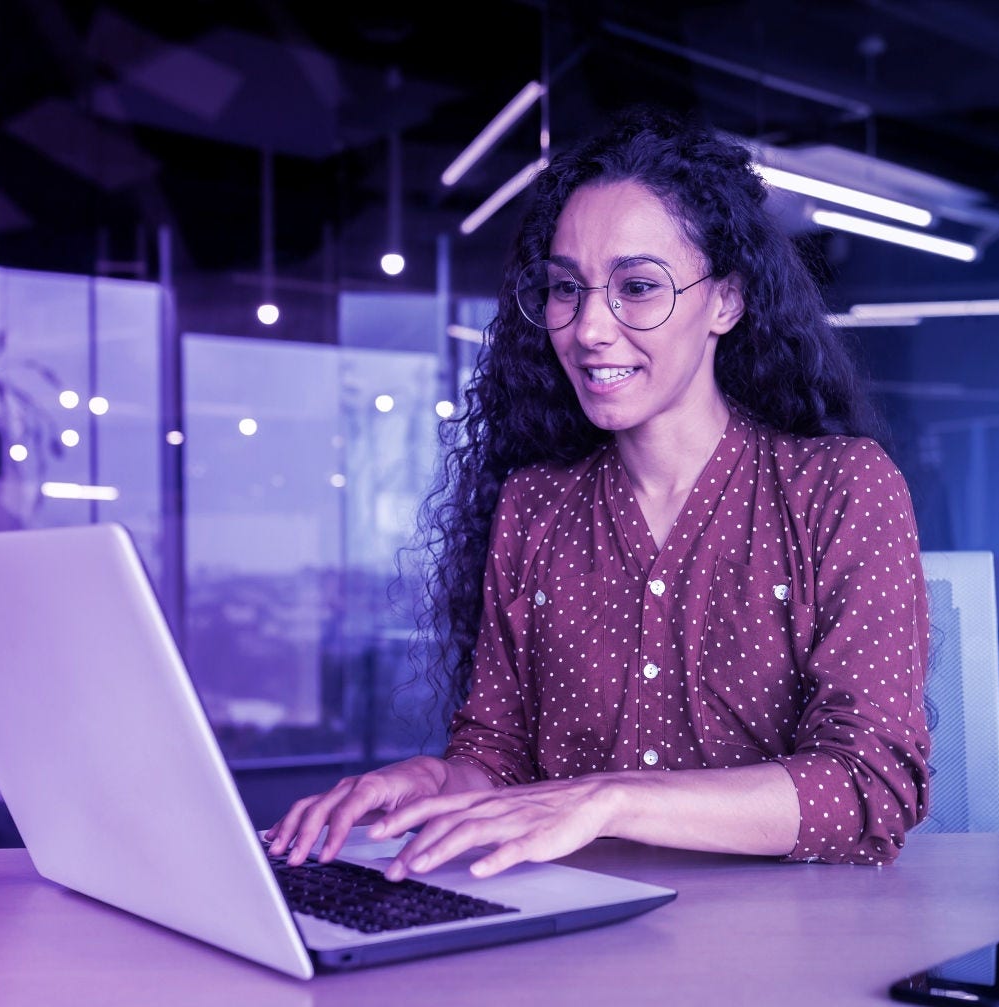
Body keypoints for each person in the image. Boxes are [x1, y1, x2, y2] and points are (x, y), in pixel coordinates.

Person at [265, 104, 930, 880]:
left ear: (726, 300)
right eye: (565, 289)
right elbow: (499, 758)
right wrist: (434, 782)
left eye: (637, 287)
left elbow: (869, 785)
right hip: (576, 921)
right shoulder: (533, 507)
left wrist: (613, 801)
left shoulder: (841, 487)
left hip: (786, 928)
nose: (588, 329)